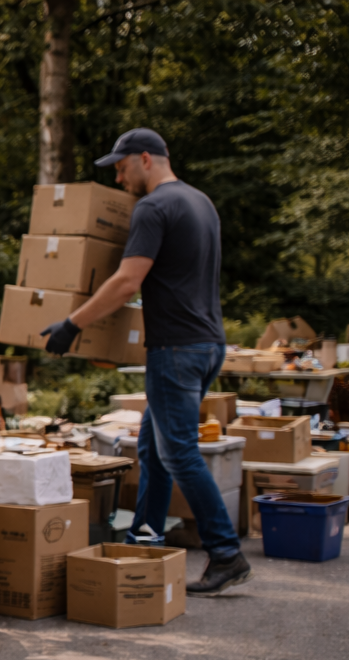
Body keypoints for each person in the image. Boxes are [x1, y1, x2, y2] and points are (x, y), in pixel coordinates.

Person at [39, 128, 249, 595]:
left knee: (178, 452)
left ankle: (225, 552)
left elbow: (127, 281)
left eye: (121, 167)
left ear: (146, 159)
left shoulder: (154, 207)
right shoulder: (201, 202)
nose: (119, 178)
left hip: (176, 348)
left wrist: (72, 324)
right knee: (154, 445)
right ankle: (146, 538)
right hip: (207, 343)